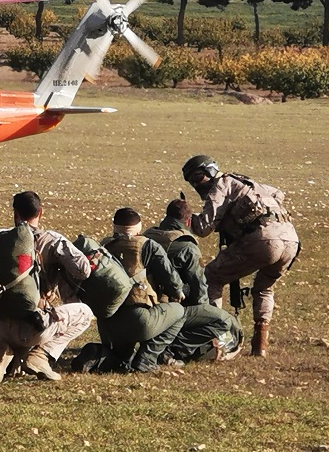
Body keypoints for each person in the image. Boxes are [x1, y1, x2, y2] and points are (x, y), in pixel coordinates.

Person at [0, 191, 93, 382]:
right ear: (40, 212)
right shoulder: (52, 240)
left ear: (15, 213)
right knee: (84, 313)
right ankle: (41, 356)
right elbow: (83, 271)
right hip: (34, 325)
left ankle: (6, 352)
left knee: (21, 332)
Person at [182, 155, 301, 357]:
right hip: (291, 240)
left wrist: (185, 216)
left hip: (262, 240)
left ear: (211, 172)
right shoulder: (249, 183)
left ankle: (215, 336)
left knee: (211, 277)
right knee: (264, 287)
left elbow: (203, 228)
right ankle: (260, 344)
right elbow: (278, 194)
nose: (196, 185)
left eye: (198, 177)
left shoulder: (221, 185)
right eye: (192, 181)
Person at [144, 198, 242, 363]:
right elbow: (199, 290)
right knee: (226, 323)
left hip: (143, 306)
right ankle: (173, 349)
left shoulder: (147, 237)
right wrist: (206, 314)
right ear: (188, 221)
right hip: (170, 310)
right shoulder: (186, 247)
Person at [96, 207, 186, 373]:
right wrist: (178, 292)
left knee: (122, 355)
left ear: (114, 226)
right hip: (137, 320)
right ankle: (147, 358)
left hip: (108, 324)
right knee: (180, 312)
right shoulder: (148, 245)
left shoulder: (102, 247)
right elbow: (171, 280)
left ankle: (121, 358)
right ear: (139, 227)